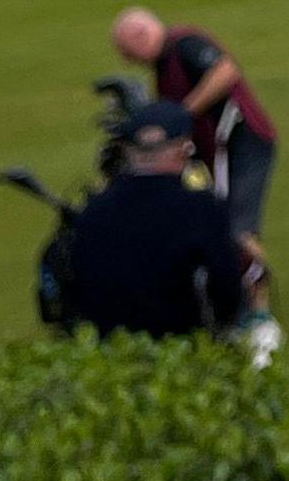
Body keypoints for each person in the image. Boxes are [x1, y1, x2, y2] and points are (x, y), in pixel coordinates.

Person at [63, 101, 270, 341]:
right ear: (183, 149)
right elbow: (226, 288)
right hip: (180, 346)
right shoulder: (201, 209)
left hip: (110, 348)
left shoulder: (92, 210)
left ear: (128, 152)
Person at [110, 6, 279, 248]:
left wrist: (184, 112)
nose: (128, 61)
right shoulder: (164, 64)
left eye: (127, 52)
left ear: (141, 35)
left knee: (235, 226)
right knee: (226, 221)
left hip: (238, 143)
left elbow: (225, 71)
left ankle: (248, 281)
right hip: (220, 150)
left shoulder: (185, 44)